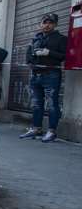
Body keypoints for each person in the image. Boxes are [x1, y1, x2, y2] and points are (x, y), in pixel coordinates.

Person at [19, 13, 68, 143]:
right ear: (40, 24)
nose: (47, 25)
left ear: (55, 24)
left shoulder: (61, 39)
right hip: (36, 75)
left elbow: (64, 56)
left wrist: (49, 52)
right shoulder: (36, 38)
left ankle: (51, 131)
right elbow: (28, 54)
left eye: (50, 23)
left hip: (51, 74)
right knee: (36, 104)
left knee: (52, 104)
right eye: (44, 22)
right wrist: (31, 63)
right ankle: (36, 129)